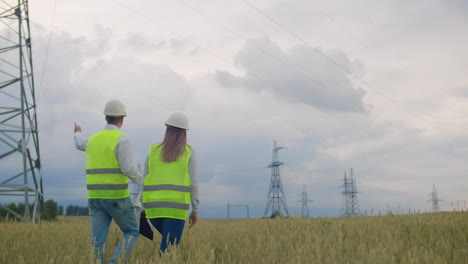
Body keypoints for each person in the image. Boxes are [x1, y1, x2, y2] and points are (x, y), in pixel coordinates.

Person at [74, 99, 142, 264]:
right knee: (132, 231)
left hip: (95, 198)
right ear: (122, 119)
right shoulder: (122, 140)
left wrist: (77, 132)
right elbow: (128, 170)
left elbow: (78, 144)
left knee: (97, 243)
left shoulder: (93, 140)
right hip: (116, 197)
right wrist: (145, 181)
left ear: (106, 117)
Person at [143, 112, 199, 254]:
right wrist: (195, 209)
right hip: (176, 209)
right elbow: (193, 183)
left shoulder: (153, 150)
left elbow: (144, 180)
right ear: (184, 133)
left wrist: (142, 205)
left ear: (167, 129)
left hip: (153, 209)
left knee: (167, 246)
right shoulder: (188, 153)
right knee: (168, 252)